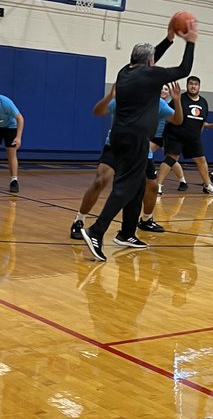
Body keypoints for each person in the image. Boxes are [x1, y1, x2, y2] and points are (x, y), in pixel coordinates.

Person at [80, 25, 196, 262]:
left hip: (119, 137)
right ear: (150, 62)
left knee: (138, 187)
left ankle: (127, 233)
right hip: (135, 140)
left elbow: (149, 60)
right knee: (126, 188)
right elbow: (184, 69)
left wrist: (169, 40)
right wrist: (190, 41)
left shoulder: (125, 72)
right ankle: (96, 231)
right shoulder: (150, 74)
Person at [72, 82, 182, 240]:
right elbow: (98, 111)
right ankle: (79, 220)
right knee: (101, 181)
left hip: (140, 151)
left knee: (150, 187)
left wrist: (177, 100)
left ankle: (145, 220)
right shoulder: (125, 99)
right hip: (116, 146)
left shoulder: (159, 104)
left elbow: (177, 120)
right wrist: (110, 96)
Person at [157, 76, 213, 195]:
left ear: (199, 87)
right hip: (176, 135)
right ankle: (158, 185)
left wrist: (197, 135)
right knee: (171, 158)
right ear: (187, 85)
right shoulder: (179, 99)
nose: (193, 86)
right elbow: (170, 116)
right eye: (191, 84)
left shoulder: (203, 102)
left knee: (201, 160)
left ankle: (207, 185)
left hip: (193, 137)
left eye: (196, 84)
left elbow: (202, 121)